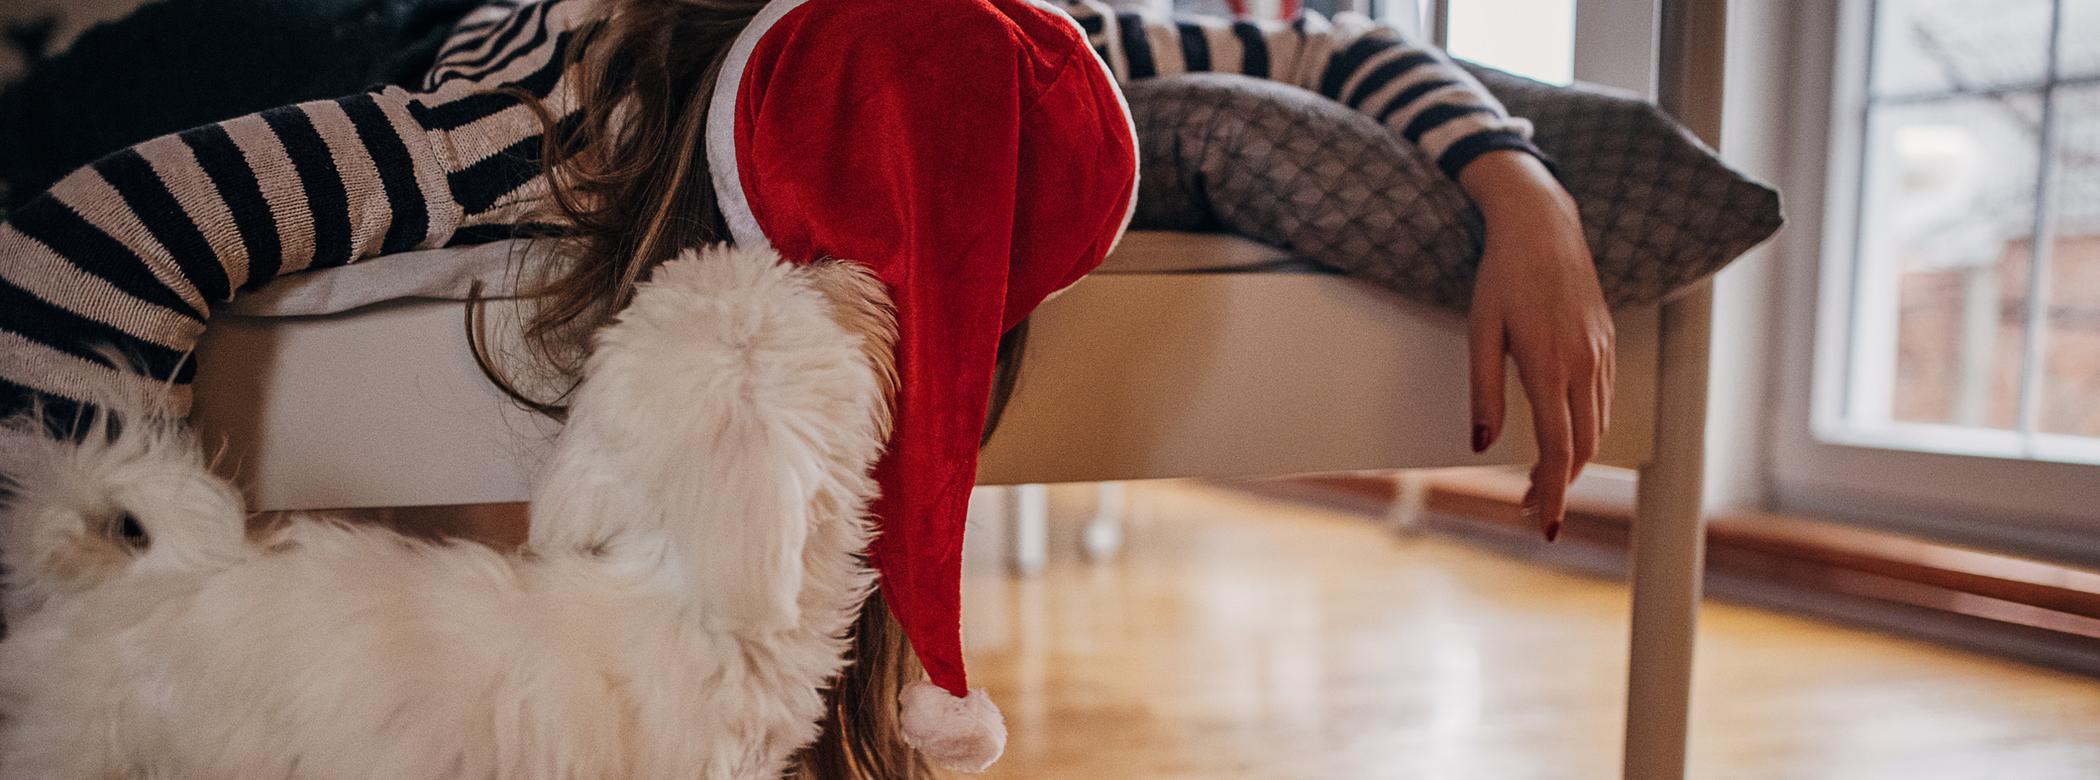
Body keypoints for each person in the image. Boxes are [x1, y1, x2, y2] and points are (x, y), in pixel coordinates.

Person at [0, 0, 1613, 774]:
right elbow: (82, 242)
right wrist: (80, 635)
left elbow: (1314, 42)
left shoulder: (1032, 46)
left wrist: (1517, 186)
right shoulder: (526, 124)